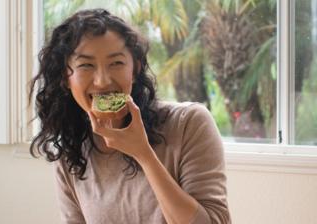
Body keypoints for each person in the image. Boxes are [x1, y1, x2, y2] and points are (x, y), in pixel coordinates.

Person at [30, 8, 231, 224]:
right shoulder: (71, 152)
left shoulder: (189, 123)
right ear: (65, 77)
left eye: (116, 63)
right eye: (86, 65)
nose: (103, 81)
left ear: (134, 69)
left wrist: (143, 153)